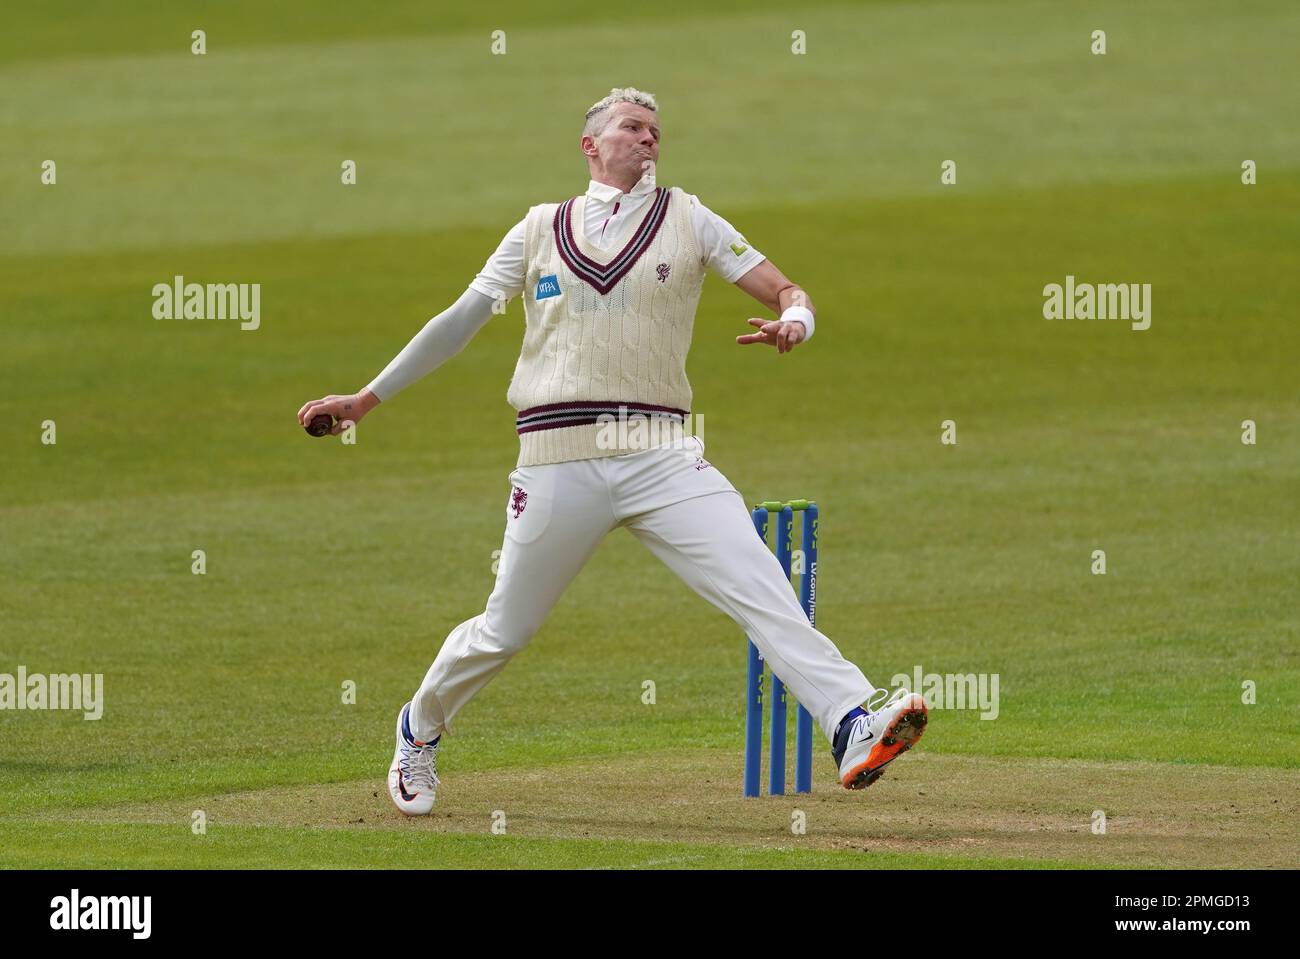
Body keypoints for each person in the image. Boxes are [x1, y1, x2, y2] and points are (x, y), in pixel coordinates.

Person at [297, 87, 928, 815]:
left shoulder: (690, 218)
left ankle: (852, 721)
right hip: (556, 456)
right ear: (591, 146)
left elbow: (787, 286)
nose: (648, 138)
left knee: (758, 581)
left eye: (656, 130)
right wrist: (364, 400)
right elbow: (459, 321)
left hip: (662, 453)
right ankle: (419, 727)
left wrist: (796, 322)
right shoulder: (537, 229)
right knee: (506, 628)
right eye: (631, 127)